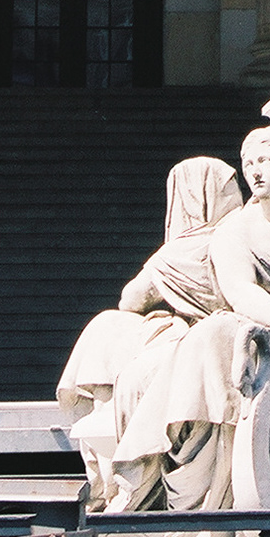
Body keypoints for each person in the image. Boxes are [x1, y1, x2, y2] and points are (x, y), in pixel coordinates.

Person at [57, 155, 242, 508]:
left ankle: (117, 481)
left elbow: (133, 297)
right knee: (107, 325)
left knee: (128, 355)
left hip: (212, 342)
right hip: (202, 338)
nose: (239, 194)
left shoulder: (194, 246)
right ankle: (112, 472)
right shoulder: (224, 238)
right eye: (230, 186)